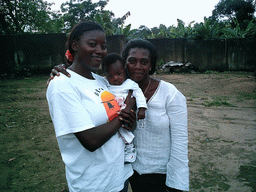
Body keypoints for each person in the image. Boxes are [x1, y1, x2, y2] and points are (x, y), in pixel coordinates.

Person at [49, 39, 189, 192]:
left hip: (159, 173)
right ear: (123, 64)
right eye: (132, 61)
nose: (137, 66)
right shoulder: (108, 86)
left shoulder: (170, 94)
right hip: (128, 172)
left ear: (151, 66)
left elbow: (180, 142)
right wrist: (62, 70)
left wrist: (177, 182)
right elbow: (83, 80)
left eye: (144, 62)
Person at [46, 20, 136, 192]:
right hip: (94, 184)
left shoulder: (101, 80)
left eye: (103, 46)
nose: (100, 51)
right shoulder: (62, 85)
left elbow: (121, 122)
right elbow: (91, 140)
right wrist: (124, 113)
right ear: (75, 45)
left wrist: (129, 120)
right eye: (92, 44)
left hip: (119, 176)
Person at [103, 53, 147, 163]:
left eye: (119, 74)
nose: (116, 78)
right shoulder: (106, 85)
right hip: (112, 116)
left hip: (127, 115)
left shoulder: (130, 84)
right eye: (111, 76)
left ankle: (129, 150)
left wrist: (142, 108)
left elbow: (139, 94)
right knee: (115, 136)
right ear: (106, 76)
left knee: (126, 132)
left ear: (124, 71)